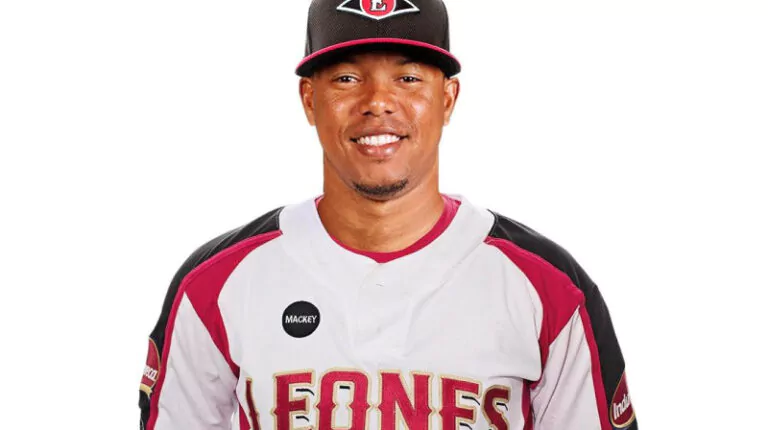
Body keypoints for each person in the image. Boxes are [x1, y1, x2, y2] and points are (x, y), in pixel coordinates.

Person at [138, 1, 638, 429]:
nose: (378, 102)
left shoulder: (550, 288)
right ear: (309, 99)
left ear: (448, 98)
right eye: (347, 78)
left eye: (408, 77)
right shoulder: (214, 283)